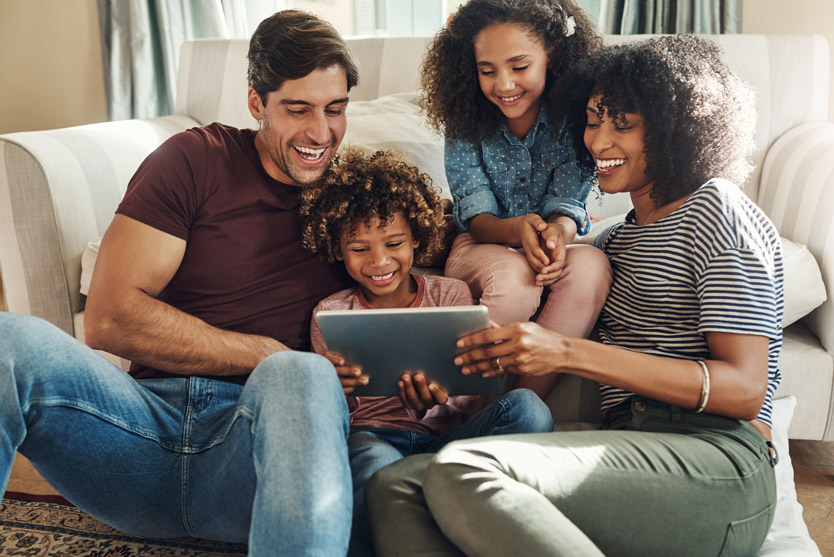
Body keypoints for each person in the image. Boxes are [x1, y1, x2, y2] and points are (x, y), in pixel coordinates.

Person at [367, 35, 783, 556]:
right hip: (630, 449)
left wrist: (565, 351)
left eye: (623, 124)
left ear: (679, 128)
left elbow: (744, 389)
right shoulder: (615, 242)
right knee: (395, 488)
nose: (599, 142)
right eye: (592, 120)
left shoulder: (717, 210)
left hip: (719, 461)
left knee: (465, 469)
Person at [0, 10, 362, 555]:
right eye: (298, 109)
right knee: (9, 342)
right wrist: (259, 352)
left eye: (335, 110)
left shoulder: (359, 197)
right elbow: (109, 317)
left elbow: (436, 257)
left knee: (300, 372)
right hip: (138, 438)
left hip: (254, 457)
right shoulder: (197, 159)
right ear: (256, 103)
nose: (320, 132)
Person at [301, 148, 555, 556]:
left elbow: (469, 393)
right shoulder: (330, 313)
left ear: (416, 238)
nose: (379, 261)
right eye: (359, 248)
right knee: (370, 462)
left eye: (394, 243)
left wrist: (436, 401)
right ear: (337, 249)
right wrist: (331, 387)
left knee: (529, 408)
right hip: (373, 439)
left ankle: (442, 496)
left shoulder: (450, 295)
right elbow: (331, 420)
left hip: (448, 442)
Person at [420, 0, 612, 400]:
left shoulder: (574, 121)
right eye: (487, 71)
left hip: (547, 242)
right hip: (482, 243)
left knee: (592, 265)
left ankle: (521, 406)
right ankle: (466, 408)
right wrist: (519, 230)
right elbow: (476, 217)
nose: (503, 84)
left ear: (552, 55)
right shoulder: (465, 123)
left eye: (519, 67)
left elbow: (567, 203)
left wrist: (557, 234)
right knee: (513, 279)